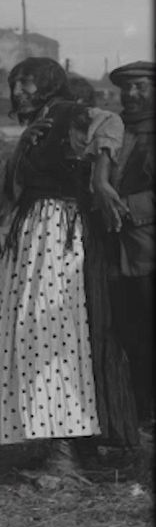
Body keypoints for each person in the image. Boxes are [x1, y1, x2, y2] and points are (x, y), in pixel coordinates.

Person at [0, 57, 136, 476]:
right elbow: (7, 190)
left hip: (59, 233)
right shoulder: (40, 125)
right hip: (34, 234)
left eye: (28, 83)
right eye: (15, 84)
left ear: (50, 84)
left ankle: (65, 448)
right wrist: (22, 146)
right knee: (36, 334)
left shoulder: (70, 113)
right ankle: (56, 438)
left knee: (55, 337)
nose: (18, 92)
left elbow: (110, 123)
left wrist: (102, 178)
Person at [107, 61, 155, 428]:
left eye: (140, 87)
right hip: (117, 255)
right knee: (130, 334)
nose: (132, 95)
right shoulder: (115, 131)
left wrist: (128, 207)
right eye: (127, 88)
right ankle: (137, 412)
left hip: (148, 251)